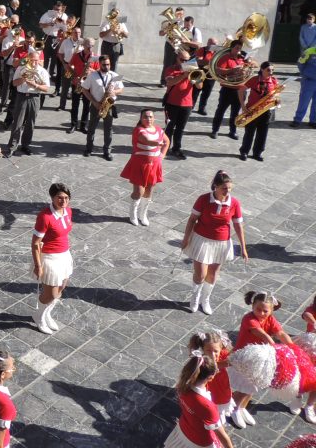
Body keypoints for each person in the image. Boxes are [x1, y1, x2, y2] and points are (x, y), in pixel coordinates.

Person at [180, 170, 248, 315]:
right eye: (224, 188)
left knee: (213, 274)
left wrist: (243, 247)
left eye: (230, 188)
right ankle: (195, 297)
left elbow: (238, 225)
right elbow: (192, 219)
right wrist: (186, 238)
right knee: (200, 274)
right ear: (215, 187)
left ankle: (205, 300)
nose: (227, 191)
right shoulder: (203, 199)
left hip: (221, 243)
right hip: (202, 240)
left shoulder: (234, 203)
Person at [227, 290, 292, 429]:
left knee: (252, 387)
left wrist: (292, 347)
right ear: (252, 307)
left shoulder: (270, 319)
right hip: (244, 358)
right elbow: (262, 334)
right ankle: (233, 408)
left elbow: (280, 333)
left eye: (265, 311)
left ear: (272, 310)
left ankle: (241, 407)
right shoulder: (248, 319)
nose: (262, 313)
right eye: (258, 309)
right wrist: (275, 347)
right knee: (244, 387)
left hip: (258, 359)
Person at [162, 354, 234, 448]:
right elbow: (222, 436)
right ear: (211, 377)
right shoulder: (207, 406)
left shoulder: (183, 387)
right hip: (200, 442)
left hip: (184, 429)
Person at [31, 183, 74, 335]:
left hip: (64, 254)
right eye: (60, 198)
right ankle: (39, 316)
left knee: (62, 287)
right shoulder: (45, 217)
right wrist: (38, 265)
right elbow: (35, 243)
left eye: (66, 198)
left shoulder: (68, 211)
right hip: (49, 257)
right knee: (52, 293)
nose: (64, 201)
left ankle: (46, 313)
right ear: (52, 198)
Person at [120, 109, 168, 226]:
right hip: (140, 164)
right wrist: (158, 143)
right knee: (139, 191)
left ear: (154, 118)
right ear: (141, 119)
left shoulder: (158, 129)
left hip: (154, 165)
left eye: (151, 117)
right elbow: (146, 140)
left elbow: (167, 142)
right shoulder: (138, 130)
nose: (148, 119)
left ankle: (143, 214)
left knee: (150, 190)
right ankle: (133, 214)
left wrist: (161, 155)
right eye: (145, 117)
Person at [4, 50, 49, 157]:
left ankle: (25, 145)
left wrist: (35, 85)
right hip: (22, 96)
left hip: (35, 97)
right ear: (28, 59)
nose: (34, 63)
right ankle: (12, 146)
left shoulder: (42, 71)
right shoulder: (21, 68)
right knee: (17, 123)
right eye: (32, 60)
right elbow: (14, 83)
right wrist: (23, 79)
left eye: (36, 61)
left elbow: (46, 88)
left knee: (30, 123)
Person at [187, 331, 234, 427]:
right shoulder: (201, 361)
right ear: (203, 349)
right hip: (209, 390)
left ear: (221, 348)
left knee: (221, 404)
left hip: (222, 387)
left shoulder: (224, 355)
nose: (213, 355)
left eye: (216, 351)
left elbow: (232, 360)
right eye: (209, 350)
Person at [81, 54, 122, 161]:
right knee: (91, 128)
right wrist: (94, 102)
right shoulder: (93, 76)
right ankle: (89, 148)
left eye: (108, 64)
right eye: (104, 65)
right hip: (96, 105)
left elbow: (121, 89)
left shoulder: (115, 75)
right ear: (100, 64)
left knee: (108, 129)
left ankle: (107, 150)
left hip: (109, 105)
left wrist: (114, 91)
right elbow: (84, 89)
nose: (107, 67)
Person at [237, 62, 279, 162]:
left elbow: (276, 94)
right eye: (268, 70)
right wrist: (243, 106)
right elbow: (241, 90)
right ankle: (244, 152)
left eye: (272, 70)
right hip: (252, 109)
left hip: (266, 111)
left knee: (263, 133)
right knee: (249, 132)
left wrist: (276, 99)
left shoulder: (273, 80)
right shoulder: (254, 80)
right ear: (262, 69)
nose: (271, 72)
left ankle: (258, 153)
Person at [164, 49, 201, 159]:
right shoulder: (171, 69)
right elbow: (170, 82)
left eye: (187, 60)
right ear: (177, 59)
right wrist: (184, 75)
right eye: (182, 60)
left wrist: (196, 77)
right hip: (172, 103)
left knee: (180, 128)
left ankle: (176, 149)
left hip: (187, 104)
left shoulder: (192, 70)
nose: (185, 62)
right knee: (169, 128)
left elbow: (200, 87)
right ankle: (165, 147)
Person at [209, 40, 247, 140]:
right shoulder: (225, 58)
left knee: (235, 113)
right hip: (227, 89)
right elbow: (218, 70)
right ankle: (215, 130)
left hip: (240, 89)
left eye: (240, 49)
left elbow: (255, 65)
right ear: (232, 48)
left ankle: (232, 131)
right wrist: (232, 70)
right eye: (237, 48)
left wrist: (250, 62)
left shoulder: (243, 58)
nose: (239, 51)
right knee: (221, 110)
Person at [65, 37, 96, 133]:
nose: (90, 48)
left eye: (92, 46)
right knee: (75, 105)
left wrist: (92, 71)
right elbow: (69, 66)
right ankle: (73, 125)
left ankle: (83, 125)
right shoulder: (77, 55)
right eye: (88, 45)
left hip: (89, 85)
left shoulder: (95, 57)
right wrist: (74, 75)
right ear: (83, 45)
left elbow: (99, 72)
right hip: (77, 83)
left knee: (86, 106)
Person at [38, 0, 67, 83]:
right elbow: (40, 25)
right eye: (56, 9)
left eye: (59, 10)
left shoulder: (64, 15)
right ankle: (43, 73)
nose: (57, 11)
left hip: (57, 38)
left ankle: (51, 74)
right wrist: (49, 24)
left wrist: (63, 23)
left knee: (55, 57)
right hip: (48, 37)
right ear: (53, 8)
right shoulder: (47, 15)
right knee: (45, 56)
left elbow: (65, 28)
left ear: (61, 9)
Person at [292, 38, 316, 128]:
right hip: (309, 81)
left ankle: (313, 121)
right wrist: (305, 74)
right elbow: (300, 63)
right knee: (303, 101)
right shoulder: (309, 51)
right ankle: (297, 120)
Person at [160, 7, 187, 84]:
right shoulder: (169, 22)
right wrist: (168, 27)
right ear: (175, 13)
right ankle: (163, 81)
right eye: (178, 13)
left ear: (183, 14)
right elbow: (161, 34)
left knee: (179, 63)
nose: (179, 15)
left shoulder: (185, 22)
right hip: (170, 44)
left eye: (181, 14)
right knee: (167, 63)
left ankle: (176, 80)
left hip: (180, 45)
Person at [194, 39, 219, 115]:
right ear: (208, 43)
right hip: (201, 72)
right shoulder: (202, 50)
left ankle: (202, 108)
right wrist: (212, 62)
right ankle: (191, 106)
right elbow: (198, 61)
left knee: (207, 92)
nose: (214, 46)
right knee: (195, 90)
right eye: (212, 44)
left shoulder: (217, 52)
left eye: (215, 44)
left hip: (211, 74)